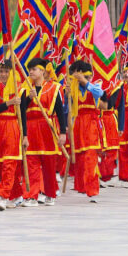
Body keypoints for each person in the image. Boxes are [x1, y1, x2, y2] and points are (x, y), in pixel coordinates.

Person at [19, 58, 66, 207]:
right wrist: (28, 98)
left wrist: (63, 133)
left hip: (47, 127)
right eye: (29, 69)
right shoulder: (25, 89)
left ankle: (50, 194)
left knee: (48, 164)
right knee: (31, 163)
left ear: (42, 71)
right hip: (31, 127)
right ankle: (31, 196)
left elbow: (60, 112)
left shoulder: (54, 88)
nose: (31, 72)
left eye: (34, 69)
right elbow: (20, 112)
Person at [68, 60, 105, 203]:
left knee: (90, 158)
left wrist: (84, 81)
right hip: (77, 124)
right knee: (80, 159)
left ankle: (93, 190)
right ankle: (82, 186)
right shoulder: (72, 88)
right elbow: (68, 108)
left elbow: (100, 93)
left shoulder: (95, 85)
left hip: (91, 125)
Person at [0, 61, 24, 210]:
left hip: (13, 127)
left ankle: (3, 197)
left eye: (6, 71)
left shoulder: (20, 89)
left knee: (9, 163)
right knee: (0, 165)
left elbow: (23, 114)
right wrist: (9, 102)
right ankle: (17, 195)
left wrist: (26, 136)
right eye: (1, 71)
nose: (3, 74)